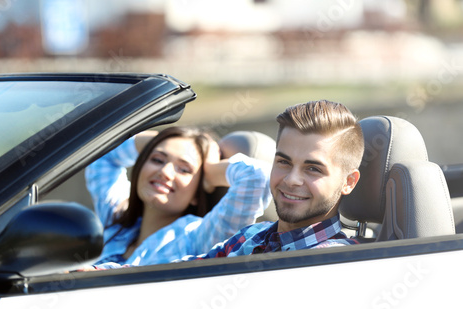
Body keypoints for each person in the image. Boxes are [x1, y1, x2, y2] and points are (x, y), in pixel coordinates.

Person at [91, 99, 364, 270]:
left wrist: (208, 171)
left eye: (313, 168)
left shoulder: (338, 265)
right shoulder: (250, 237)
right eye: (283, 162)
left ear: (348, 182)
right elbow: (172, 273)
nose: (291, 180)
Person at [85, 126, 272, 267]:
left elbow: (257, 179)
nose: (165, 172)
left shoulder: (197, 239)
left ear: (197, 194)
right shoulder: (117, 219)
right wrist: (157, 139)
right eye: (157, 159)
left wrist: (210, 173)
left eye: (184, 169)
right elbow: (101, 151)